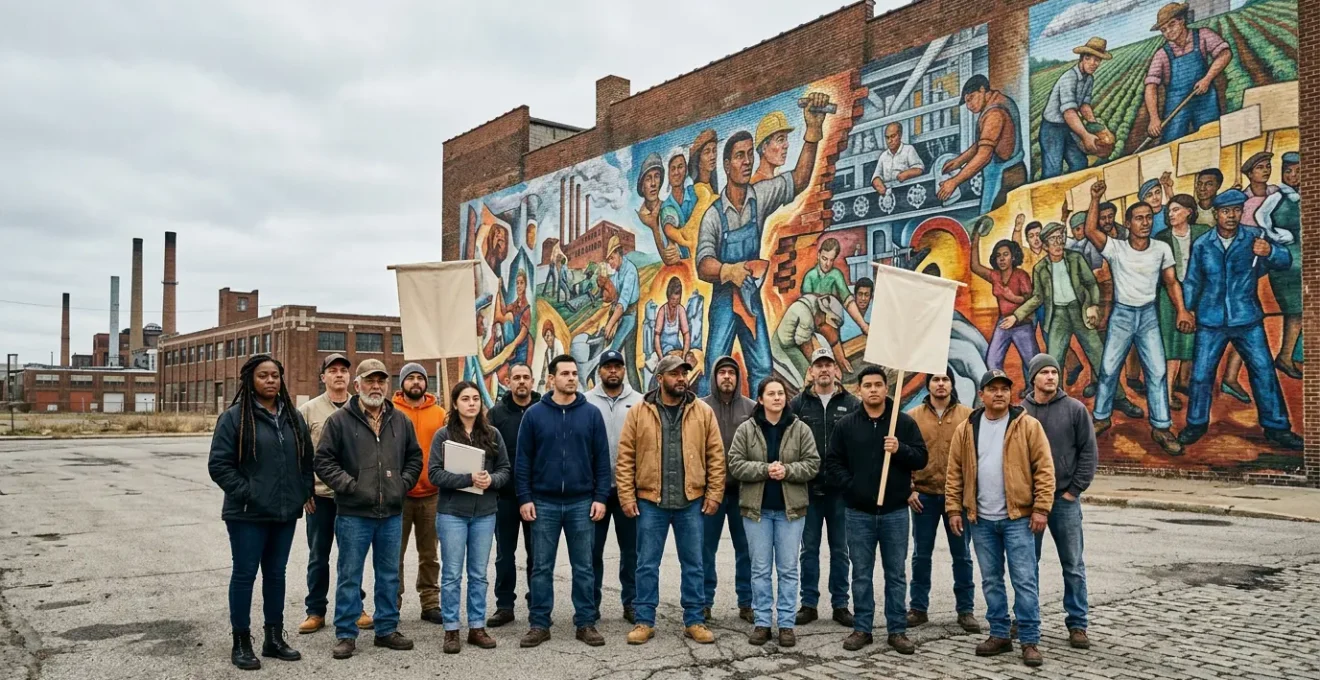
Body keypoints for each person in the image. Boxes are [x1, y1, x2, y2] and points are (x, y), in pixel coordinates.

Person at [697, 92, 832, 392]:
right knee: (714, 370)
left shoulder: (760, 196)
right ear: (727, 165)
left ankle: (764, 418)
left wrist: (812, 132)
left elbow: (799, 179)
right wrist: (728, 270)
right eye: (739, 156)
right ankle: (706, 419)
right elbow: (702, 264)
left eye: (749, 155)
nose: (747, 162)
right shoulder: (713, 216)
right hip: (724, 301)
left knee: (762, 370)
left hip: (750, 296)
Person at [208, 355, 314, 670]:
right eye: (263, 375)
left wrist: (302, 491)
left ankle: (273, 638)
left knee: (276, 575)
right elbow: (219, 465)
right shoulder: (234, 418)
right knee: (244, 575)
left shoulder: (293, 417)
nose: (270, 380)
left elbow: (306, 460)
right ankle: (241, 642)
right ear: (250, 380)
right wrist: (250, 493)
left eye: (275, 375)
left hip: (283, 513)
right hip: (247, 514)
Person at [313, 359, 423, 660]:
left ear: (387, 385)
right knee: (350, 575)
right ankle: (346, 634)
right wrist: (351, 486)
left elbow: (415, 458)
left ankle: (386, 629)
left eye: (381, 381)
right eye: (370, 380)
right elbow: (323, 461)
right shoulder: (339, 421)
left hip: (391, 512)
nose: (376, 386)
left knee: (389, 574)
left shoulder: (400, 421)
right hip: (353, 514)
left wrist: (401, 485)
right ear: (357, 383)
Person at [945, 370, 1055, 668]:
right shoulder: (967, 428)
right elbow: (954, 472)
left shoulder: (1027, 425)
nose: (999, 394)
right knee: (991, 580)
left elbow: (1044, 469)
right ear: (981, 394)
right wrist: (954, 509)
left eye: (1004, 389)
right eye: (992, 389)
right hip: (980, 519)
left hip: (1018, 518)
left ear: (1010, 394)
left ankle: (1029, 640)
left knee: (1024, 580)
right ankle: (999, 634)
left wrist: (1041, 508)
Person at [616, 355, 726, 645]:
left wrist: (714, 494)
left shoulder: (702, 411)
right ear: (660, 378)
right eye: (674, 374)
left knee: (694, 563)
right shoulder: (639, 411)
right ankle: (644, 621)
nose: (681, 378)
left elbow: (716, 456)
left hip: (691, 500)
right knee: (646, 564)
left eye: (683, 374)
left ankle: (694, 620)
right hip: (650, 501)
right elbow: (625, 457)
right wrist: (626, 495)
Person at [1180, 190, 1302, 450]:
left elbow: (1285, 260)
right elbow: (1192, 280)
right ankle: (1196, 424)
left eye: (1236, 210)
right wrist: (1187, 310)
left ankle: (1277, 427)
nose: (1231, 216)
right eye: (1226, 211)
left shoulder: (1255, 238)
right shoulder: (1202, 244)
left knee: (1264, 371)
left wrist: (1270, 251)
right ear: (1216, 214)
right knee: (1201, 375)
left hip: (1247, 318)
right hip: (1211, 320)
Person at [824, 365, 928, 653]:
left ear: (886, 388)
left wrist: (900, 449)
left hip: (895, 512)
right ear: (859, 390)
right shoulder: (847, 425)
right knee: (861, 573)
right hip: (858, 513)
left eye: (878, 385)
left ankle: (897, 630)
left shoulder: (902, 423)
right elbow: (833, 462)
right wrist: (852, 486)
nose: (873, 390)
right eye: (867, 385)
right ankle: (862, 628)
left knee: (896, 574)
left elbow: (921, 458)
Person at [1083, 181, 1188, 454]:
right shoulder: (1116, 248)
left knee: (1157, 370)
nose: (1145, 223)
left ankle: (1161, 427)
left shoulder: (1161, 249)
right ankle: (1101, 417)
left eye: (1149, 218)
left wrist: (1182, 310)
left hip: (1148, 316)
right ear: (1128, 223)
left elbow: (1171, 282)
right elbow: (1090, 231)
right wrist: (1094, 198)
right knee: (1108, 369)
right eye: (1139, 218)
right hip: (1122, 315)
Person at [515, 355, 612, 648]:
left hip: (581, 502)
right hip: (543, 503)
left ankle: (585, 623)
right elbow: (523, 461)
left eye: (574, 373)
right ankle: (539, 624)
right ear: (551, 379)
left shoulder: (591, 414)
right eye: (565, 373)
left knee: (584, 567)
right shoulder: (534, 415)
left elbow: (602, 461)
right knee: (541, 567)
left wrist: (600, 497)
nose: (571, 378)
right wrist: (525, 498)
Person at [727, 376, 820, 647]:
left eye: (781, 393)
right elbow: (735, 464)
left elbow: (812, 464)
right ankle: (763, 623)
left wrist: (787, 470)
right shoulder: (747, 429)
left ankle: (787, 625)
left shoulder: (800, 428)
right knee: (760, 569)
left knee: (788, 569)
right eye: (771, 393)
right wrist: (765, 469)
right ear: (760, 399)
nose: (777, 397)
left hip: (791, 512)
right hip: (757, 511)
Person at [428, 381, 512, 653]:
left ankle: (477, 627)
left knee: (478, 574)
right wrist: (468, 479)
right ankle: (451, 629)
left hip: (484, 514)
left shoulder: (493, 434)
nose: (472, 403)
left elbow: (505, 469)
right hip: (452, 513)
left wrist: (491, 480)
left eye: (476, 398)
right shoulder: (443, 435)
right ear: (455, 404)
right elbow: (434, 474)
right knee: (452, 574)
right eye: (465, 399)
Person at [1021, 354, 1097, 650]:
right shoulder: (1020, 412)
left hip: (1064, 500)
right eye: (1045, 373)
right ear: (1033, 378)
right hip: (1029, 503)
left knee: (1073, 564)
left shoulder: (1075, 410)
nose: (1051, 377)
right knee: (1027, 566)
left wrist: (1073, 491)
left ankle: (1077, 623)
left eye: (1054, 372)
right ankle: (1026, 618)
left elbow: (1088, 453)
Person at [298, 354, 371, 635]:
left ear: (351, 378)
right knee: (319, 556)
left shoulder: (362, 407)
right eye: (333, 371)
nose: (339, 375)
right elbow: (301, 455)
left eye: (343, 371)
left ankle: (356, 607)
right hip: (321, 496)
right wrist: (305, 490)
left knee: (352, 556)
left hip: (353, 496)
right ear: (323, 377)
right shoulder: (308, 411)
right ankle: (315, 611)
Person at [788, 349, 859, 628]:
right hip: (808, 491)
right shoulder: (798, 405)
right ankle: (809, 604)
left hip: (840, 493)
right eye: (819, 365)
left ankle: (841, 604)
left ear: (836, 370)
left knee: (841, 550)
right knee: (809, 550)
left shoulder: (852, 404)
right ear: (811, 372)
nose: (824, 369)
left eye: (829, 364)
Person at [905, 370, 978, 634]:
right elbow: (904, 457)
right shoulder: (912, 417)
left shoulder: (969, 416)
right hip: (923, 496)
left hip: (955, 498)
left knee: (962, 555)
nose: (940, 384)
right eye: (935, 379)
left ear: (951, 384)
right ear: (928, 385)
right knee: (921, 555)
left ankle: (966, 610)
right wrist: (909, 489)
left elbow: (975, 457)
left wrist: (968, 494)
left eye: (945, 379)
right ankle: (918, 608)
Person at [584, 349, 644, 624]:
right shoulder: (585, 402)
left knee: (631, 552)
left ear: (624, 370)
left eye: (617, 366)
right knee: (591, 552)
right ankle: (590, 604)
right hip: (594, 492)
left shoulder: (639, 402)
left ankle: (631, 603)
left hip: (628, 491)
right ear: (600, 371)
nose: (612, 371)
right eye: (607, 366)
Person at [701, 355, 756, 623]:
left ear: (738, 377)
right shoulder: (701, 407)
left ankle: (746, 602)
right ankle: (704, 602)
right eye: (722, 372)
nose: (727, 377)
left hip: (743, 491)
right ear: (714, 377)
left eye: (731, 373)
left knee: (746, 550)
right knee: (705, 550)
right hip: (710, 493)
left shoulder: (751, 408)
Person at [391, 363, 446, 625]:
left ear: (426, 383)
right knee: (394, 554)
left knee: (429, 555)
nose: (415, 382)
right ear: (402, 383)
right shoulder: (391, 411)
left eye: (420, 378)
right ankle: (392, 603)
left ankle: (430, 603)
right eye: (410, 378)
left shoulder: (440, 414)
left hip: (432, 494)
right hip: (399, 495)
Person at [486, 364, 539, 627]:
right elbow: (488, 453)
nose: (521, 382)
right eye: (516, 378)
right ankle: (504, 605)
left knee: (537, 555)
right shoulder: (496, 414)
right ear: (508, 382)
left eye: (525, 378)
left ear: (533, 381)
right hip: (505, 496)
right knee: (504, 555)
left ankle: (537, 602)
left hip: (537, 496)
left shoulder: (543, 409)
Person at [1143, 2, 1231, 145]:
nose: (1168, 31)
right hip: (1176, 104)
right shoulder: (1162, 54)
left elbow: (1225, 54)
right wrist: (1154, 118)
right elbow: (1150, 87)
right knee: (1172, 142)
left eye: (1172, 24)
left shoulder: (1203, 35)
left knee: (1211, 136)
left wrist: (1207, 79)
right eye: (1164, 30)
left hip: (1204, 98)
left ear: (1182, 20)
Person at [1154, 194, 1211, 407]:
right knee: (1172, 345)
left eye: (1176, 209)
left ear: (1189, 211)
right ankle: (1167, 393)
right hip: (1168, 295)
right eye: (1169, 211)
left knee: (1194, 340)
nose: (1171, 214)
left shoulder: (1203, 232)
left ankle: (1184, 382)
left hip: (1199, 293)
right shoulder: (1161, 238)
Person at [939, 75, 1026, 214]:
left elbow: (984, 155)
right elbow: (983, 142)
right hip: (1010, 173)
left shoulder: (994, 114)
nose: (969, 106)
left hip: (1006, 177)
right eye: (966, 102)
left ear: (982, 90)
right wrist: (960, 161)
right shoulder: (998, 101)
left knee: (990, 221)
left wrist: (954, 181)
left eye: (971, 98)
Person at [1256, 151, 1302, 377]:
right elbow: (1260, 217)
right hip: (1286, 261)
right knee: (1295, 310)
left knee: (1302, 311)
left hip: (1303, 257)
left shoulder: (1305, 195)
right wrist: (1276, 235)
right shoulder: (1277, 196)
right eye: (1288, 171)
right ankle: (1285, 357)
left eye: (1297, 171)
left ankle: (1292, 354)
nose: (1293, 176)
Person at [1040, 37, 1111, 180]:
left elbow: (1084, 105)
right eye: (1089, 58)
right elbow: (1069, 112)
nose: (1093, 64)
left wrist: (1095, 126)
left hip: (1069, 126)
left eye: (1097, 60)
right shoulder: (1069, 78)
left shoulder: (1089, 79)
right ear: (1082, 58)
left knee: (1079, 163)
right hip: (1052, 128)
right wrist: (1086, 136)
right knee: (1053, 170)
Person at [970, 232, 1037, 373]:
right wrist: (976, 238)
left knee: (1033, 363)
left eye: (1005, 254)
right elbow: (975, 266)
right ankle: (1001, 384)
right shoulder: (995, 275)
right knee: (992, 361)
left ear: (1013, 257)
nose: (1001, 259)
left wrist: (1012, 297)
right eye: (998, 255)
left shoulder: (1021, 275)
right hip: (1004, 323)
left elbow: (1030, 300)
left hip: (1022, 324)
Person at [801, 237, 871, 336]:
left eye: (831, 260)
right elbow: (806, 308)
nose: (827, 264)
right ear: (818, 255)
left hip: (833, 326)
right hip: (814, 328)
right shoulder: (810, 277)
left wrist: (864, 326)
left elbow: (847, 300)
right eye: (824, 259)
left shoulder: (836, 275)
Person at [773, 293, 849, 381]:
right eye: (822, 324)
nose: (821, 326)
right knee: (809, 373)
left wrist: (841, 359)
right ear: (823, 314)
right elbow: (807, 348)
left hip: (799, 338)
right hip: (785, 346)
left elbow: (831, 337)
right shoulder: (806, 318)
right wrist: (824, 368)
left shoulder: (815, 304)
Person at [659, 150, 697, 260]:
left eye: (680, 167)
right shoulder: (667, 205)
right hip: (684, 261)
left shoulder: (694, 193)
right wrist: (688, 244)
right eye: (673, 169)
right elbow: (669, 227)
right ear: (668, 175)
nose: (676, 172)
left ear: (686, 170)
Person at [870, 123, 925, 195]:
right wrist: (877, 182)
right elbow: (876, 176)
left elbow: (919, 169)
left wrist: (905, 174)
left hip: (906, 192)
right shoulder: (883, 156)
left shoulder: (908, 149)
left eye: (893, 136)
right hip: (889, 196)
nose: (889, 141)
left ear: (900, 135)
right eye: (887, 138)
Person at [654, 277, 691, 359]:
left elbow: (686, 334)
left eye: (678, 299)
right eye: (673, 299)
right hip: (664, 348)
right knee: (672, 359)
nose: (675, 302)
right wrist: (661, 357)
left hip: (676, 346)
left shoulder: (680, 310)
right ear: (668, 296)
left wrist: (684, 354)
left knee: (690, 359)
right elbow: (657, 336)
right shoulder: (662, 311)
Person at [752, 111, 794, 184]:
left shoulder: (777, 178)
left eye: (786, 139)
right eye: (780, 140)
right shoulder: (755, 184)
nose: (786, 145)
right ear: (764, 147)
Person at [1139, 172, 1175, 236]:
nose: (1155, 197)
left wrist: (1168, 187)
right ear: (1143, 200)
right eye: (1149, 195)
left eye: (1157, 192)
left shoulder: (1168, 210)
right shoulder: (1142, 217)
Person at [839, 277, 874, 343]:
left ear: (871, 297)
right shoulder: (845, 312)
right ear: (854, 295)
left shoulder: (874, 313)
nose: (863, 298)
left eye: (866, 295)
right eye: (860, 294)